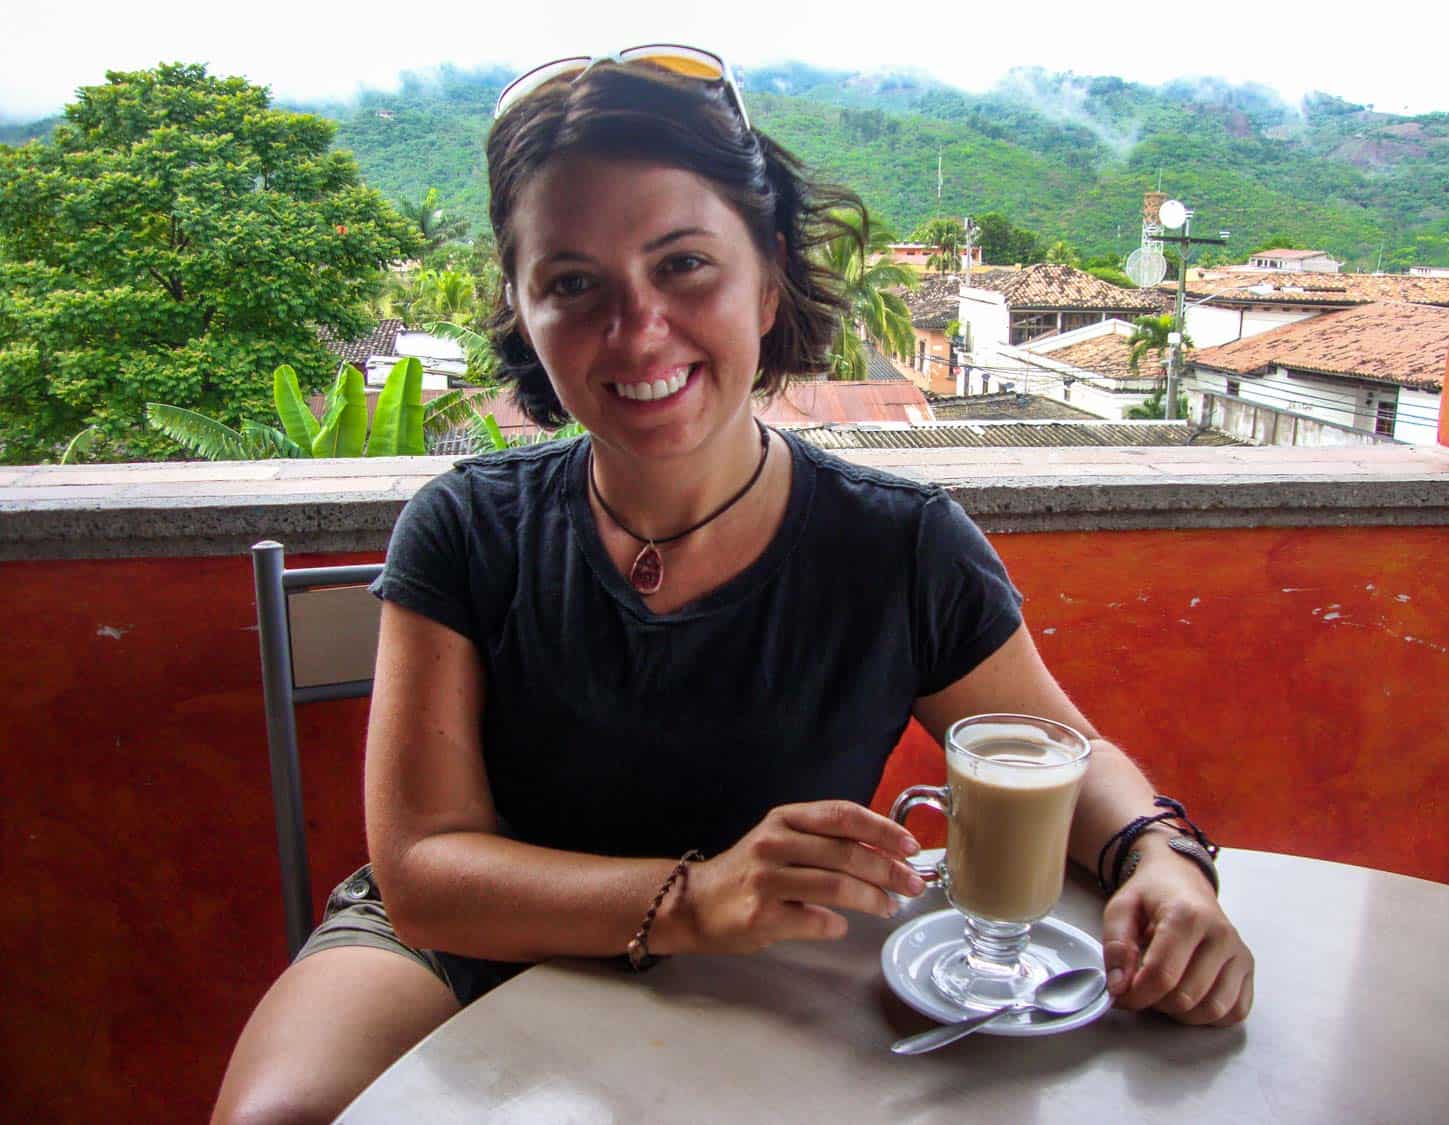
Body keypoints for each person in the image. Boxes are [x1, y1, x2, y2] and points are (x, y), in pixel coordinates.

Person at [212, 48, 1253, 1124]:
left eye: (684, 265)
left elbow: (1053, 757)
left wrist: (1162, 862)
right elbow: (425, 869)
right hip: (463, 948)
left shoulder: (899, 548)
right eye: (573, 285)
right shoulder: (468, 527)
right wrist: (696, 899)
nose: (638, 329)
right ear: (523, 312)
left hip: (754, 974)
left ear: (768, 277)